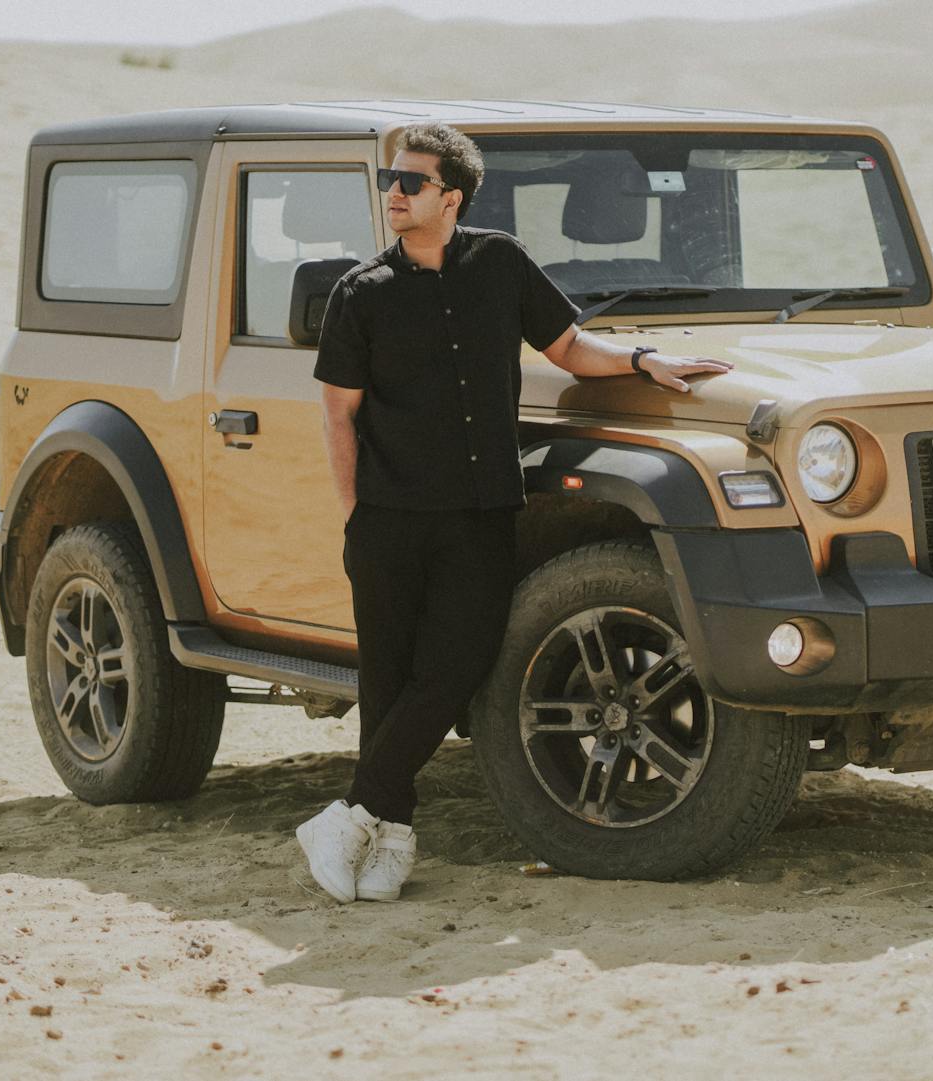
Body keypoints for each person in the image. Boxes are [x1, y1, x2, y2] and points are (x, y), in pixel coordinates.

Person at [296, 122, 733, 903]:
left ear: (451, 197)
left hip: (482, 512)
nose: (392, 193)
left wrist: (642, 361)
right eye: (389, 182)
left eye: (410, 182)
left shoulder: (498, 263)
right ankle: (390, 833)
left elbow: (568, 347)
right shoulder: (361, 293)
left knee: (457, 664)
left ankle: (346, 817)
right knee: (388, 680)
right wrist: (355, 517)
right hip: (390, 519)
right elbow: (338, 416)